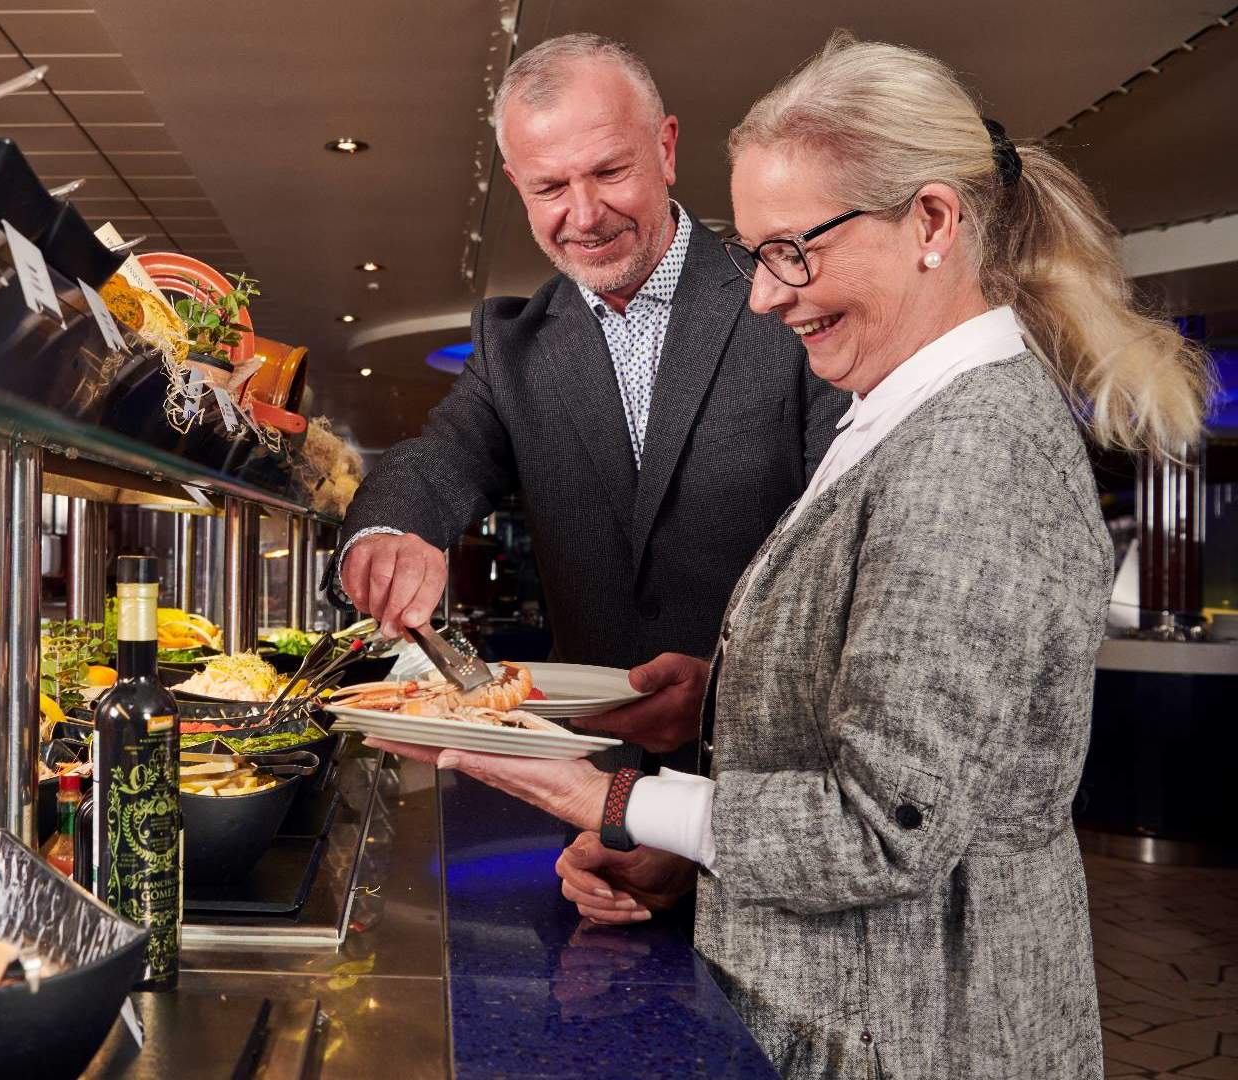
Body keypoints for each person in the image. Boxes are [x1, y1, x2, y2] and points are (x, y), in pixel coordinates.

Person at [372, 32, 1207, 1079]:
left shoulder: (971, 450)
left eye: (789, 252)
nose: (766, 296)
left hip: (922, 1028)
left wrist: (607, 799)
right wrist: (719, 704)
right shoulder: (900, 414)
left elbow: (887, 829)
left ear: (934, 222)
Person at [334, 36, 847, 759]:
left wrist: (733, 691)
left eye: (610, 171)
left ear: (665, 149)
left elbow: (848, 547)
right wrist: (386, 533)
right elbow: (440, 456)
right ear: (516, 185)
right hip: (587, 777)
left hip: (779, 763)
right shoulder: (513, 346)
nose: (584, 214)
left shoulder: (783, 296)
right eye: (549, 188)